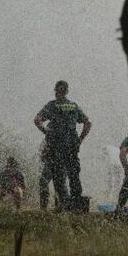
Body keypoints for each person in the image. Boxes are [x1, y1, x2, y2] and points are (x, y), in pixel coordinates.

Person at [33, 80, 91, 212]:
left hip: (56, 148)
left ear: (55, 91)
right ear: (67, 91)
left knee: (59, 180)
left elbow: (37, 120)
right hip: (71, 147)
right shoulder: (74, 106)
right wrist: (79, 140)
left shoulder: (52, 105)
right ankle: (75, 207)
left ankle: (61, 207)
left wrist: (47, 132)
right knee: (73, 177)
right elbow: (88, 123)